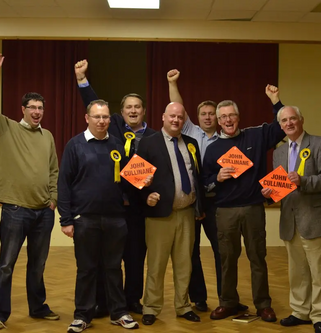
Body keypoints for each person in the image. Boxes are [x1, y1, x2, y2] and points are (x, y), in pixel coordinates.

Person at [0, 53, 59, 330]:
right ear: (23, 109)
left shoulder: (47, 135)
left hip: (43, 213)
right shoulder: (8, 127)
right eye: (32, 107)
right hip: (15, 210)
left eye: (41, 108)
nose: (37, 111)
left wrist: (53, 200)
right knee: (6, 265)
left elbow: (53, 170)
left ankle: (38, 308)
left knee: (37, 266)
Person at [74, 60, 154, 315]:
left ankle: (131, 300)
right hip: (113, 207)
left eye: (137, 107)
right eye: (128, 107)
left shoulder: (153, 137)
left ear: (144, 111)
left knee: (134, 258)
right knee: (104, 260)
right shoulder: (115, 128)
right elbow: (95, 105)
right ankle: (103, 302)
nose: (133, 110)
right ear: (120, 113)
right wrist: (82, 80)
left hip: (139, 208)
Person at [167, 69, 249, 313]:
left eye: (211, 114)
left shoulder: (228, 139)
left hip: (218, 203)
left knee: (222, 252)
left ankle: (226, 299)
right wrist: (172, 83)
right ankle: (199, 298)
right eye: (202, 113)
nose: (207, 117)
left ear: (219, 117)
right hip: (194, 201)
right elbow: (177, 105)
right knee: (192, 253)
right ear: (197, 117)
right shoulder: (190, 132)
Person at [202, 86, 285, 322]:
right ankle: (227, 302)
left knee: (257, 257)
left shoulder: (256, 135)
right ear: (218, 121)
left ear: (238, 117)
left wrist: (275, 100)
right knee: (227, 258)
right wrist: (216, 178)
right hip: (225, 211)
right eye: (223, 117)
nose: (228, 120)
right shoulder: (213, 148)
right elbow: (204, 181)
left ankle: (263, 304)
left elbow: (281, 128)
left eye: (232, 115)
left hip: (253, 208)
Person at [58, 99, 139, 332]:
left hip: (115, 219)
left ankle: (119, 312)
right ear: (87, 118)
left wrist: (144, 182)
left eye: (105, 117)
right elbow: (64, 184)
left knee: (114, 268)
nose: (102, 121)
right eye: (97, 117)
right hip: (85, 219)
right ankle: (83, 315)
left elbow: (127, 180)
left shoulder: (118, 144)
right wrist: (66, 220)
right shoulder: (75, 145)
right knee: (86, 269)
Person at [263, 105, 321, 333]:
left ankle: (320, 315)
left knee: (318, 272)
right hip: (290, 220)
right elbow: (282, 188)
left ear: (301, 120)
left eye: (292, 119)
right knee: (297, 271)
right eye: (284, 121)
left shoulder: (320, 143)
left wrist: (303, 180)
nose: (289, 124)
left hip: (315, 218)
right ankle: (299, 311)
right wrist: (270, 193)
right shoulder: (278, 152)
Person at [137, 102, 205, 326]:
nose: (176, 120)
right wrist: (146, 195)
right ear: (163, 117)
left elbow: (197, 176)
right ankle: (151, 307)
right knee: (156, 264)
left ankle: (183, 306)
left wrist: (200, 207)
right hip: (159, 215)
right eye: (172, 116)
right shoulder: (148, 143)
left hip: (187, 213)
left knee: (185, 264)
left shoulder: (192, 143)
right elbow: (136, 178)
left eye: (180, 117)